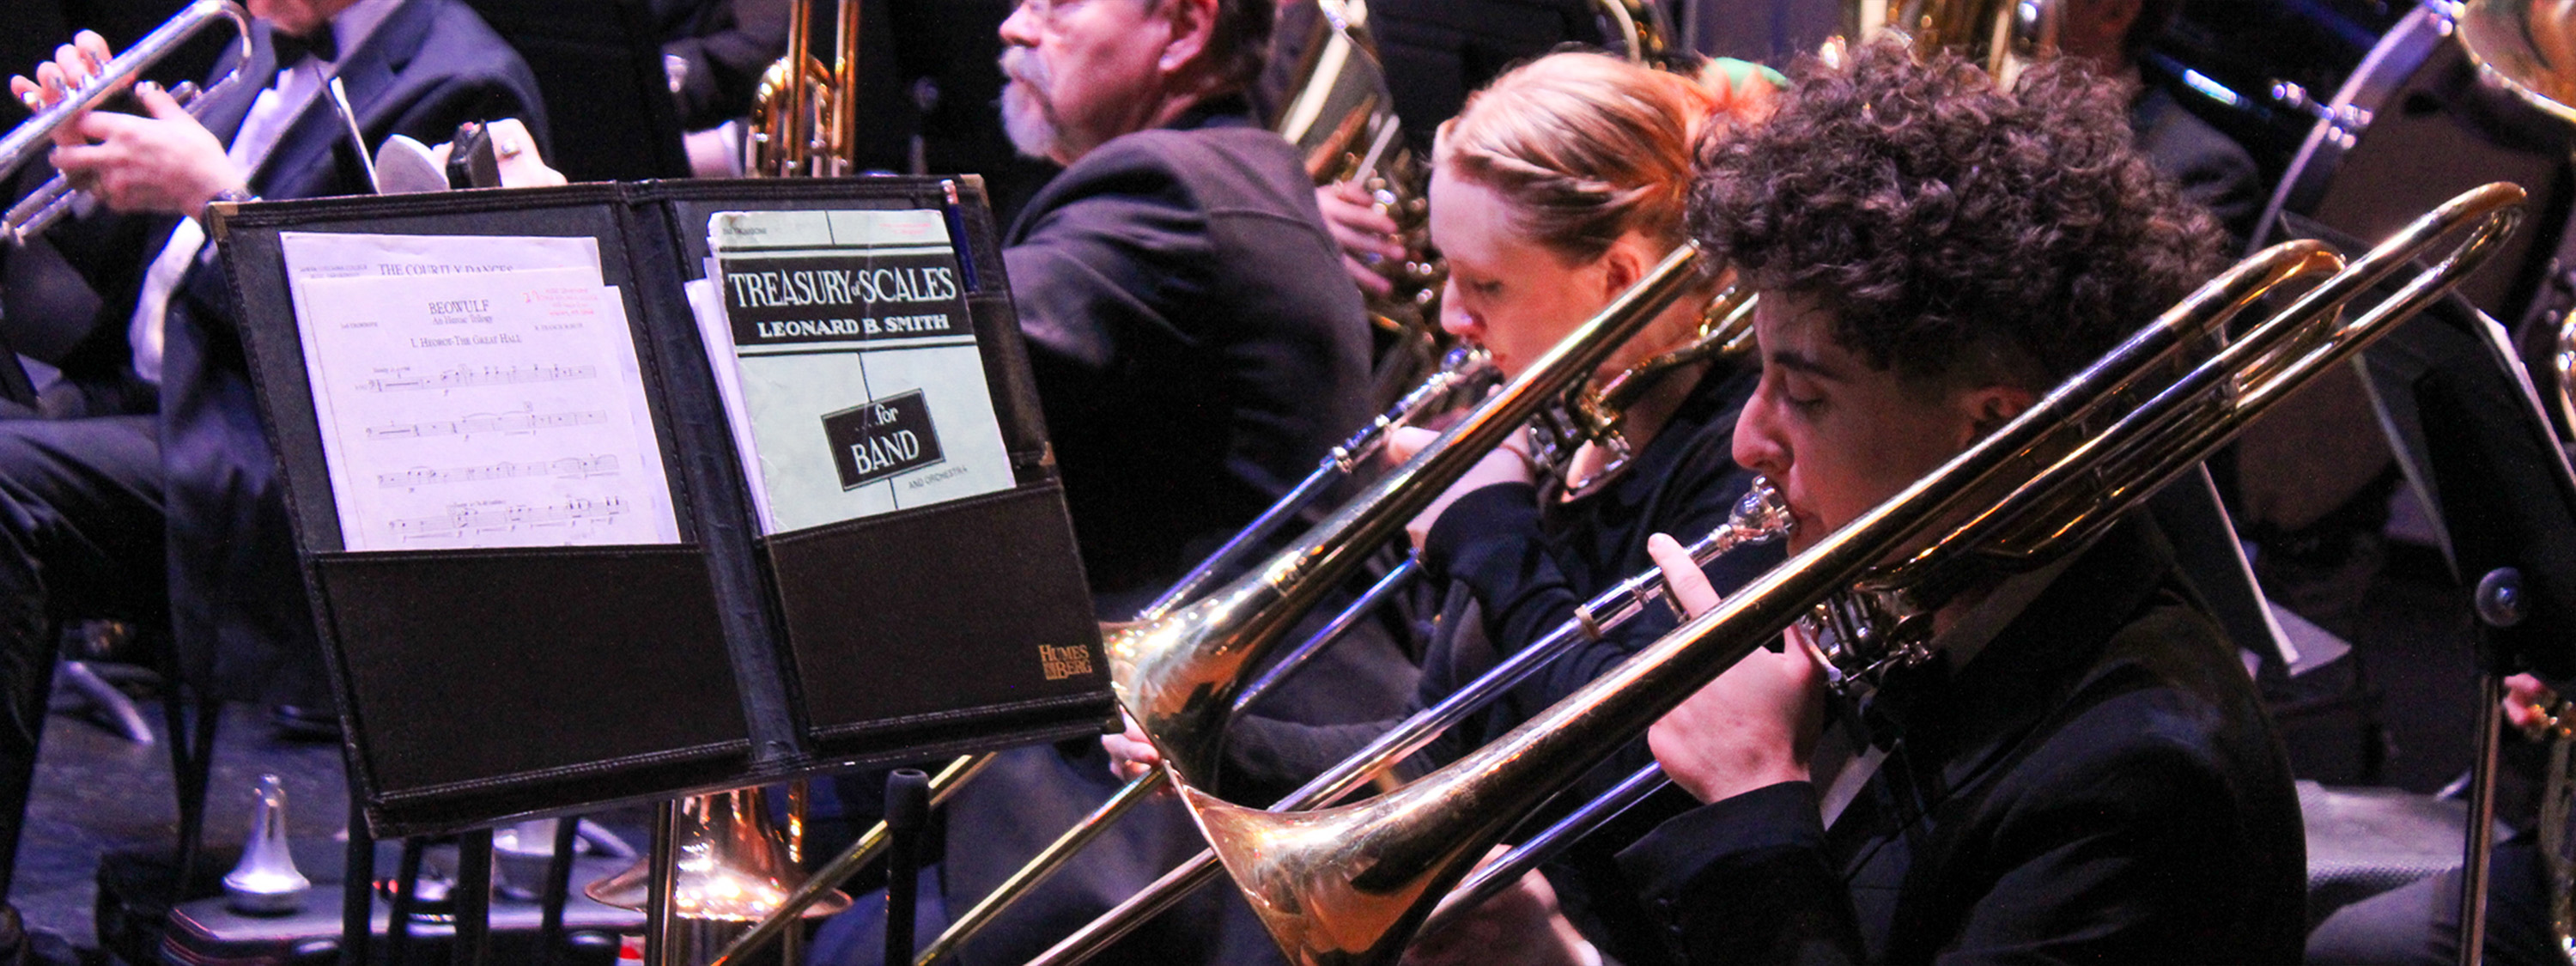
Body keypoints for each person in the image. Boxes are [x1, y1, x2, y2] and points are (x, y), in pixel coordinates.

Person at [1613, 39, 2306, 963]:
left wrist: (1750, 799)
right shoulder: (1928, 596)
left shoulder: (2143, 786)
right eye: (1760, 375)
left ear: (1992, 432)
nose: (1746, 442)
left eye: (1807, 396)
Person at [1103, 50, 1785, 966]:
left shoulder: (1739, 466)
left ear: (1620, 279)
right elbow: (1448, 739)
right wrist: (1225, 755)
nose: (1452, 316)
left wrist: (1488, 529)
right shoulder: (1566, 435)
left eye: (1488, 285)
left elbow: (1627, 741)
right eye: (1447, 273)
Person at [805, 0, 1385, 963]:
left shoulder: (1164, 183)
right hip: (1159, 762)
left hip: (1170, 799)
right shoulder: (1226, 170)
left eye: (1057, 2)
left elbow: (938, 357)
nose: (1012, 27)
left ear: (1186, 29)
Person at [0, 0, 543, 951]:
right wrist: (90, 156)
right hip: (147, 402)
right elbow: (129, 276)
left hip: (271, 460)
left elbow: (413, 368)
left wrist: (219, 197)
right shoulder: (258, 50)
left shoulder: (466, 78)